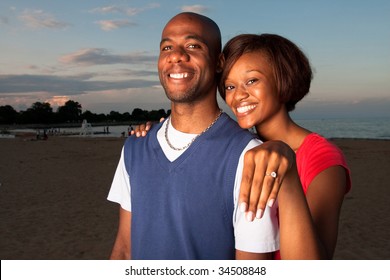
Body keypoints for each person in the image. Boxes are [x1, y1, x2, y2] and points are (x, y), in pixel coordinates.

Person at [108, 12, 320, 260]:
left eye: (193, 45)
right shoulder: (135, 146)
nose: (176, 55)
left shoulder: (249, 157)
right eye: (166, 47)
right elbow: (124, 250)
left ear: (219, 63)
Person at [218, 33, 352, 259]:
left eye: (252, 81)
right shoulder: (237, 148)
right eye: (230, 86)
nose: (238, 95)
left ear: (283, 79)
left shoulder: (324, 159)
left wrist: (288, 176)